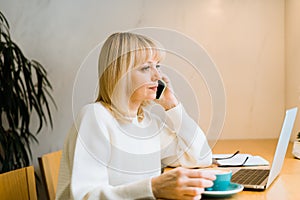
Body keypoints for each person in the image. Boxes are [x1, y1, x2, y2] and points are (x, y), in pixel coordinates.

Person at [56, 32, 216, 200]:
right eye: (146, 68)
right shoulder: (96, 117)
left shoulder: (146, 122)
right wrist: (153, 188)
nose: (158, 76)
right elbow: (85, 196)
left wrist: (172, 105)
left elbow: (201, 157)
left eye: (158, 66)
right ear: (120, 74)